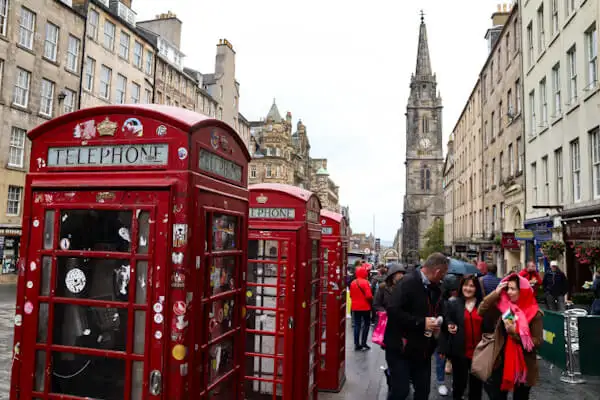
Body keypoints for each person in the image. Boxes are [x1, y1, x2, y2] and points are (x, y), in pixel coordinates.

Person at [384, 252, 449, 400]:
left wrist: (440, 323)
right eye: (443, 273)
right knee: (400, 391)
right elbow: (393, 311)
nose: (443, 277)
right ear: (437, 271)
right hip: (401, 350)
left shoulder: (437, 288)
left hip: (423, 352)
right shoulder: (407, 282)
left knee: (423, 392)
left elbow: (440, 310)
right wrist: (421, 322)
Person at [478, 273, 543, 400]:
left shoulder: (535, 313)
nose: (509, 292)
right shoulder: (503, 307)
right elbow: (481, 310)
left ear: (522, 291)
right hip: (500, 361)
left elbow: (538, 341)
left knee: (521, 396)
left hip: (524, 364)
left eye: (513, 289)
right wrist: (496, 293)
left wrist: (515, 333)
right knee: (497, 395)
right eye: (507, 288)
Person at [440, 275, 484, 400]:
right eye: (465, 285)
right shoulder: (454, 303)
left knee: (477, 387)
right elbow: (447, 321)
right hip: (460, 351)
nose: (468, 288)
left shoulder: (482, 305)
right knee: (459, 385)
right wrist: (449, 325)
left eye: (471, 286)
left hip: (479, 352)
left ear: (476, 288)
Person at [349, 265, 373, 351]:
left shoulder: (353, 282)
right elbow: (369, 296)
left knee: (357, 325)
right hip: (365, 307)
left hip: (355, 307)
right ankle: (363, 343)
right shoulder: (365, 282)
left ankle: (356, 344)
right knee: (366, 325)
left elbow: (351, 295)